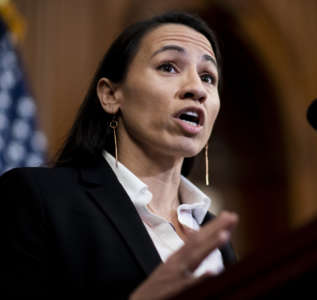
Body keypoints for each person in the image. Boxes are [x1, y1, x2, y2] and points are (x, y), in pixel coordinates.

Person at [1, 11, 238, 300]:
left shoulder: (213, 235)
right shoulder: (40, 198)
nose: (196, 89)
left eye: (207, 77)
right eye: (168, 67)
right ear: (111, 95)